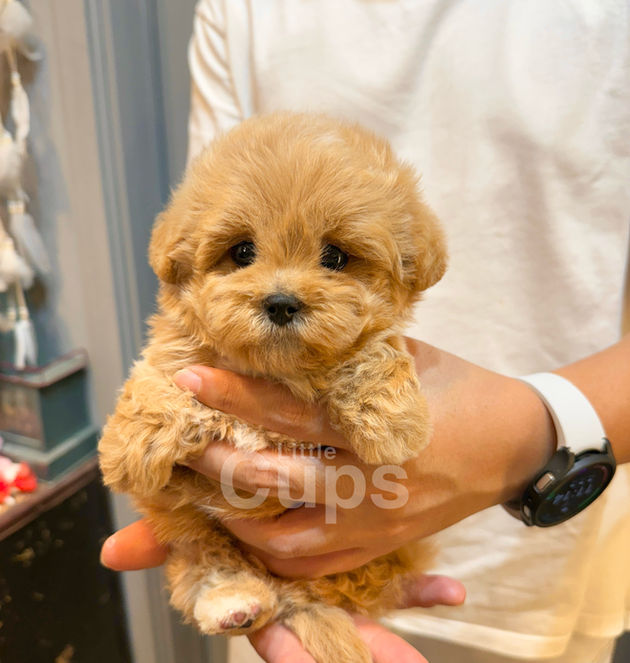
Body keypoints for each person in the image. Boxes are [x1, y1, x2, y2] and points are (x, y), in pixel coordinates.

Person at [102, 2, 630, 662]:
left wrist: (537, 427)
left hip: (550, 551)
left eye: (334, 257)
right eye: (248, 254)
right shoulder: (239, 10)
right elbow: (201, 242)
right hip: (261, 562)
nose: (282, 287)